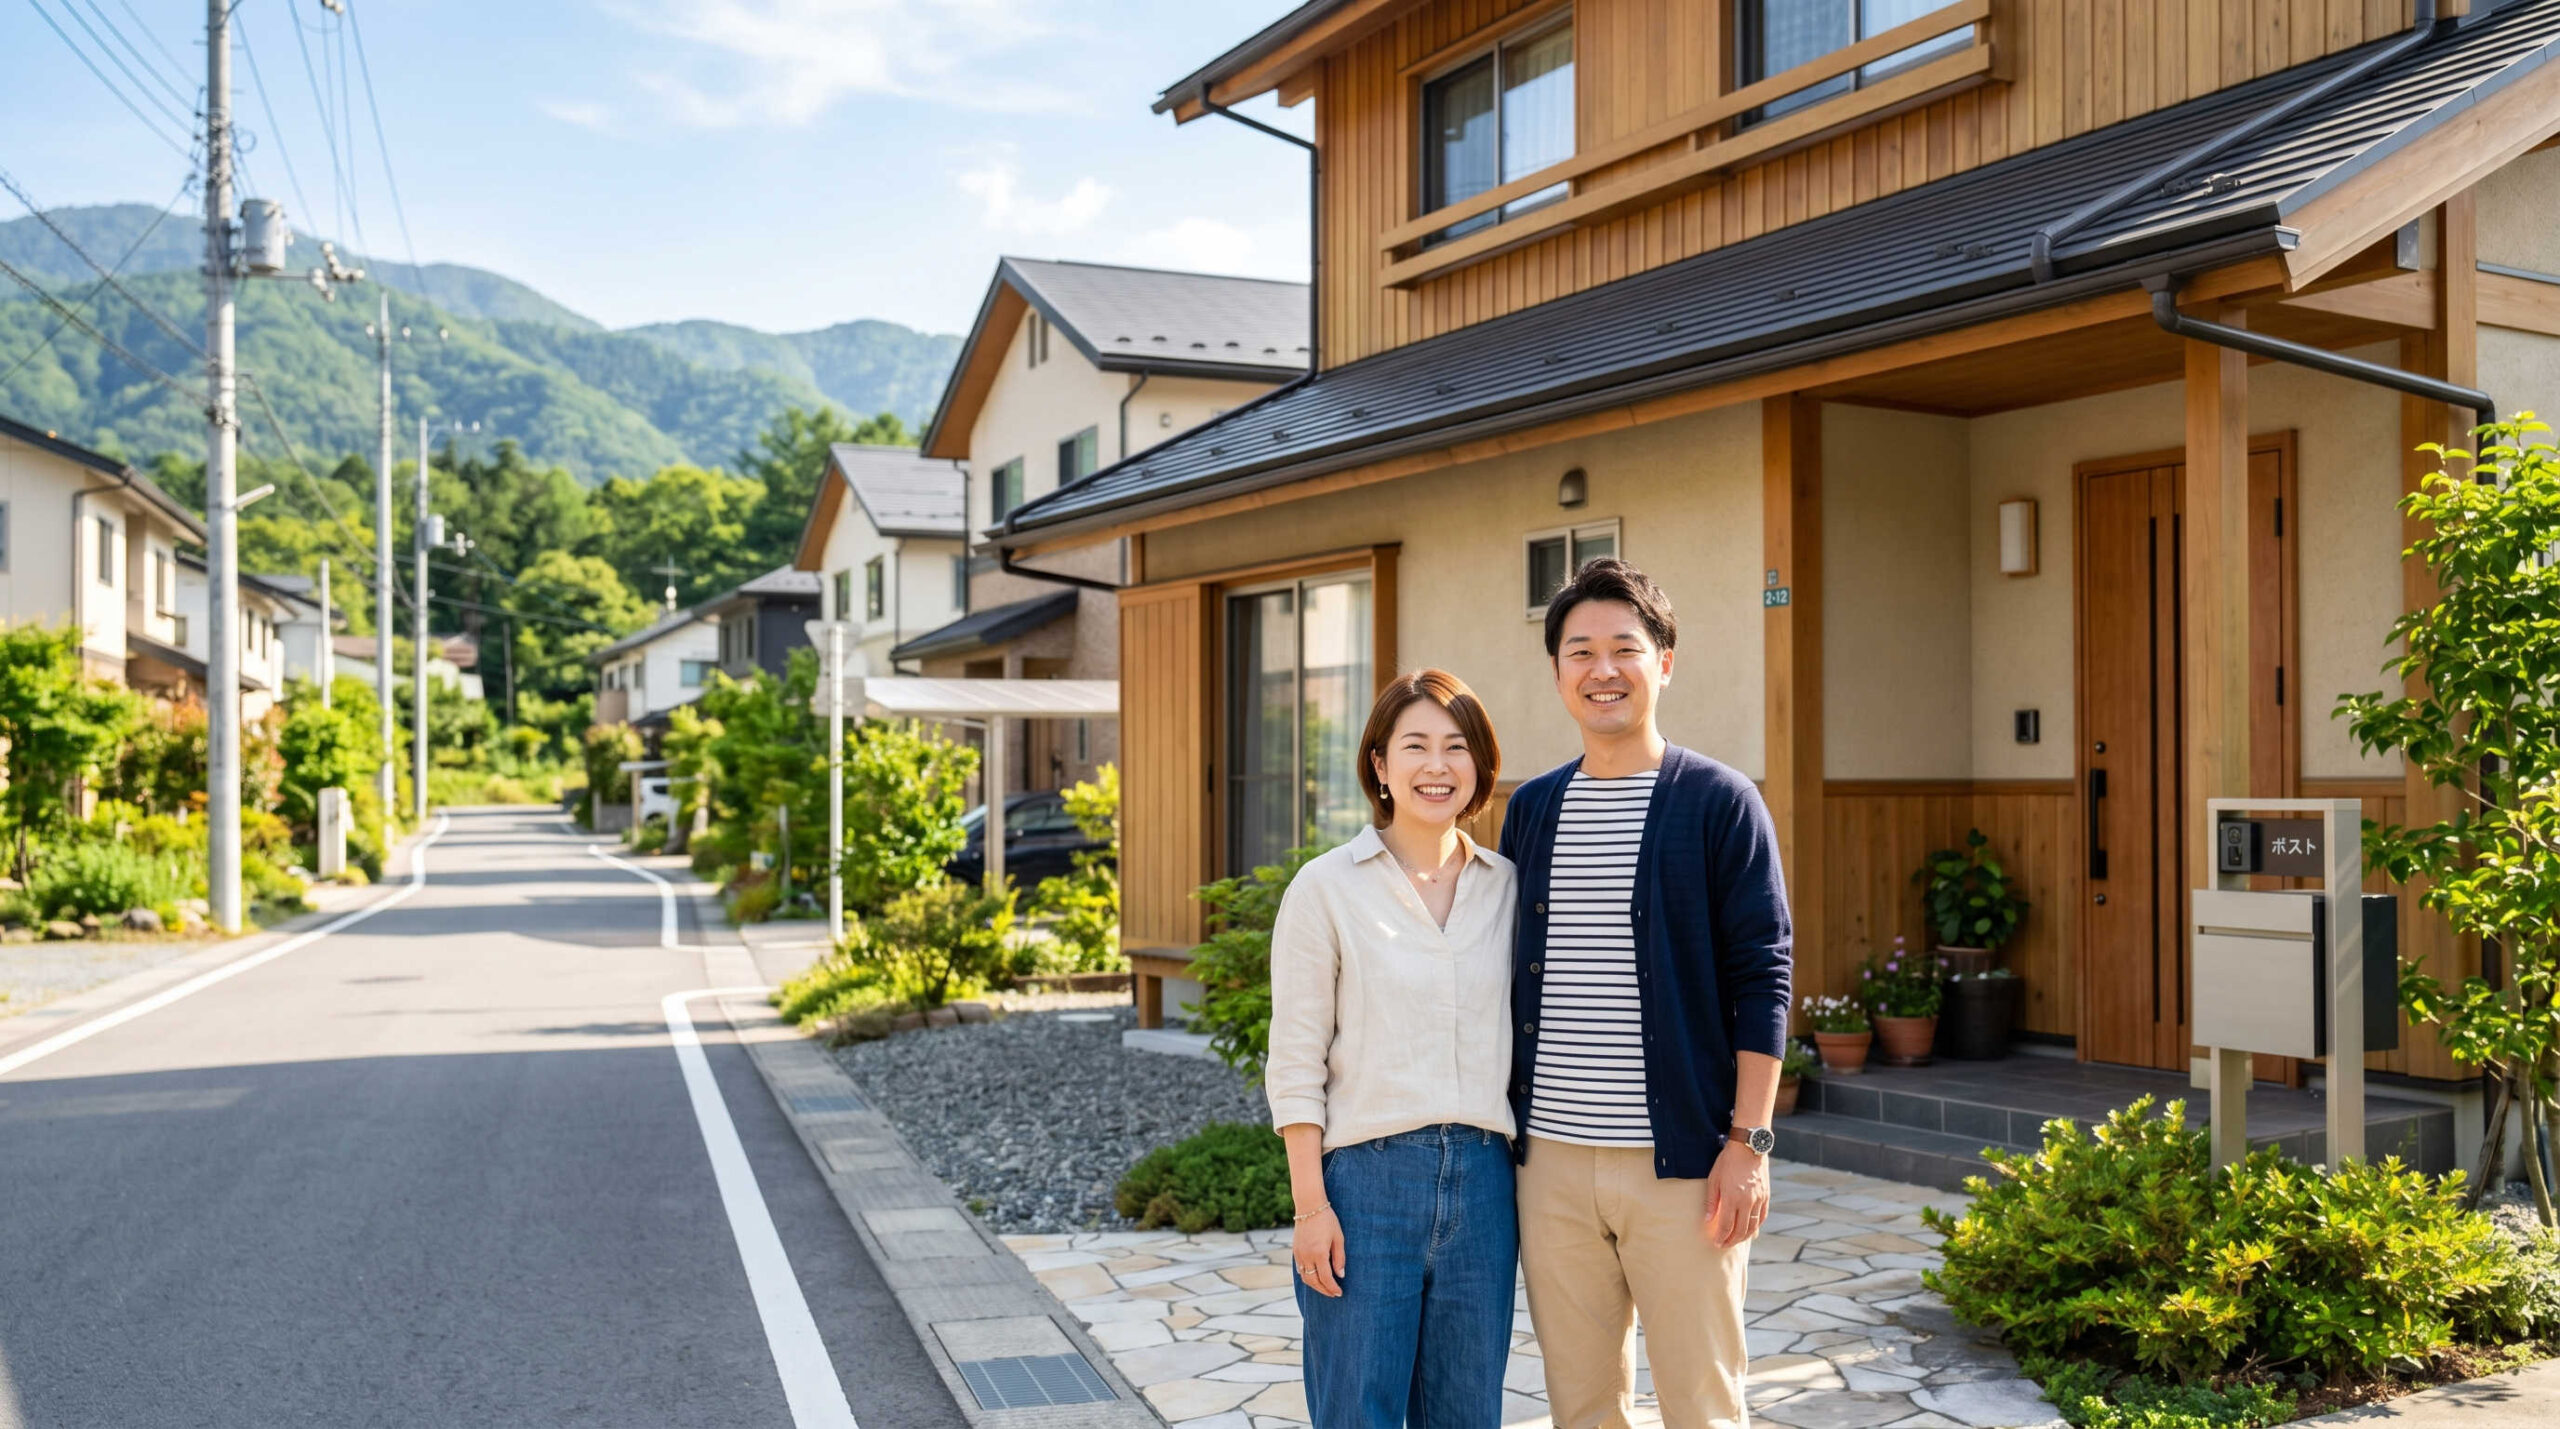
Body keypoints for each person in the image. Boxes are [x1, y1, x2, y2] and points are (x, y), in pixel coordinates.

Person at [1500, 558, 1794, 1429]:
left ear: (1665, 660)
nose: (1602, 669)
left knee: (1701, 1403)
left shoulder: (1719, 802)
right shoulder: (1535, 808)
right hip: (1549, 1160)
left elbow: (1763, 974)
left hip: (1686, 1166)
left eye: (1624, 648)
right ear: (1557, 671)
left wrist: (1748, 1141)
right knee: (1582, 1405)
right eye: (1579, 650)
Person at [1266, 668, 1519, 1427]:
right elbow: (1295, 1061)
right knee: (1357, 1412)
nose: (1435, 766)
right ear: (1379, 763)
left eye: (1455, 747)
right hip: (1366, 1185)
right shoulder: (1325, 887)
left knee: (1467, 1413)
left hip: (1483, 1182)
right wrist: (1312, 1207)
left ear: (1479, 765)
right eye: (1414, 745)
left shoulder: (1506, 886)